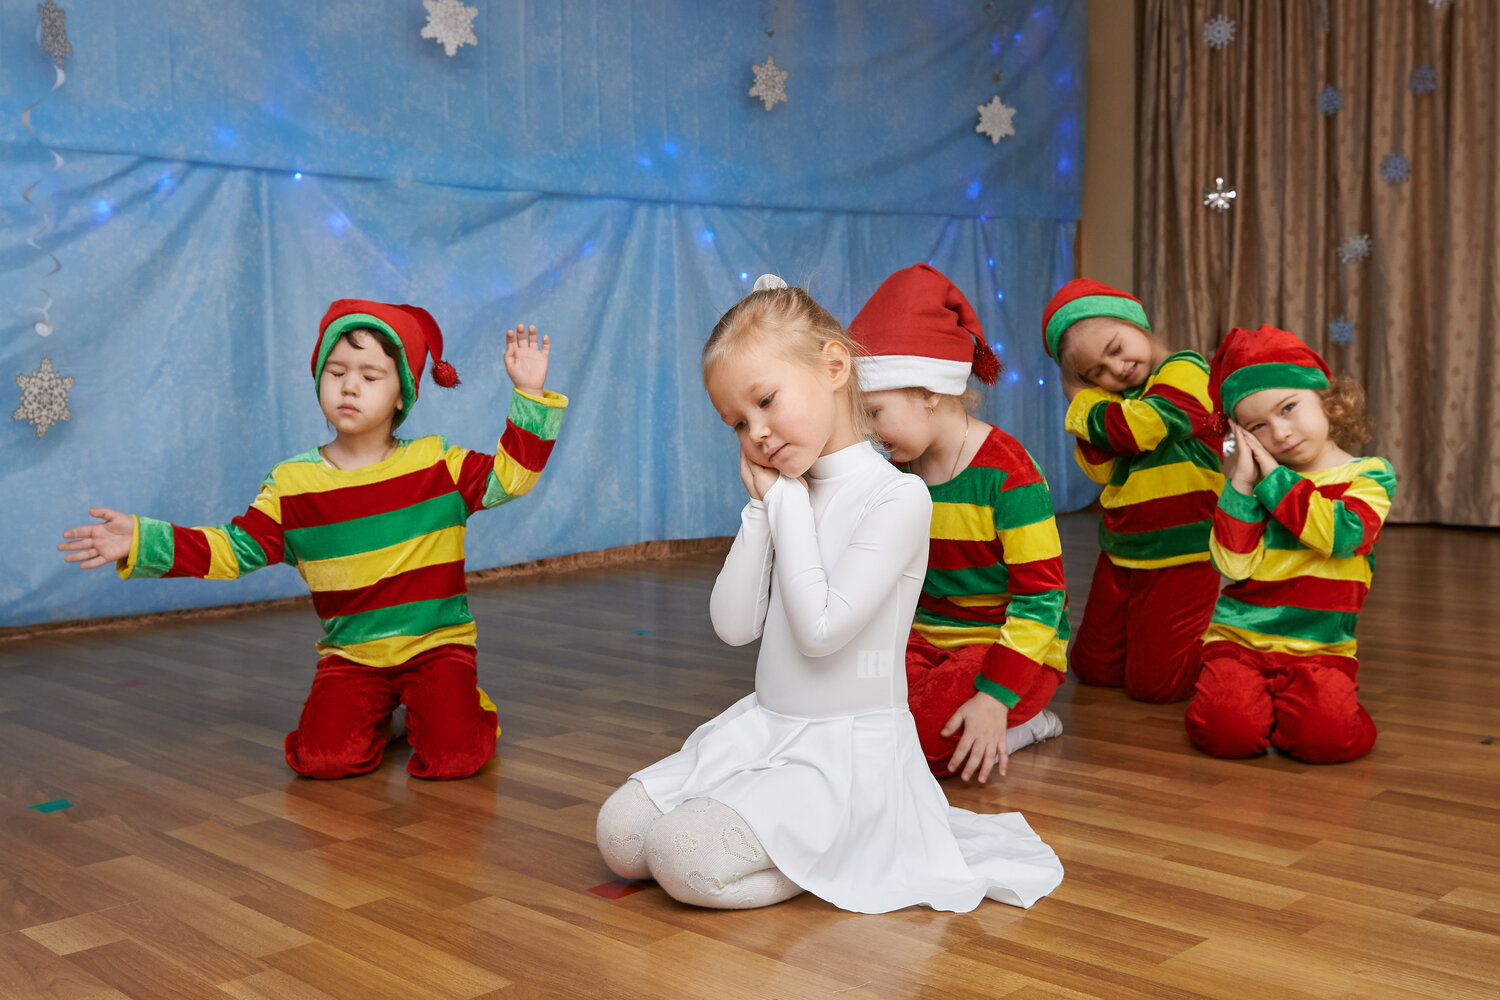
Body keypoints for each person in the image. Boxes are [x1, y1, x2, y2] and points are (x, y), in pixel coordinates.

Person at [594, 275, 1063, 914]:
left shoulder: (898, 496)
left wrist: (785, 506)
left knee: (684, 859)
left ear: (835, 367)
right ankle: (786, 838)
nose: (757, 434)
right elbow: (733, 627)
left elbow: (821, 632)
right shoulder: (785, 495)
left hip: (842, 751)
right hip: (766, 728)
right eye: (738, 423)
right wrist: (759, 514)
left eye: (766, 401)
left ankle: (845, 847)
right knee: (620, 836)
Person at [58, 299, 567, 780]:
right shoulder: (292, 484)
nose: (350, 387)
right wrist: (143, 540)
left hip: (436, 647)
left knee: (453, 758)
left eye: (370, 376)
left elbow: (511, 476)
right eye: (336, 372)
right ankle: (389, 718)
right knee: (321, 760)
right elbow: (234, 549)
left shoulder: (437, 465)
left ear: (401, 395)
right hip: (352, 656)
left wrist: (529, 394)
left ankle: (464, 705)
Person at [849, 264, 1066, 783]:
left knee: (919, 742)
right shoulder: (899, 471)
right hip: (926, 639)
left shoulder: (1008, 476)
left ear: (929, 392)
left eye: (873, 413)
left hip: (1008, 649)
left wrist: (994, 697)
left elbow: (1042, 599)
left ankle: (1023, 723)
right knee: (852, 718)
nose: (868, 432)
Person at [1186, 324, 1394, 763]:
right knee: (1226, 734)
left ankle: (1296, 704)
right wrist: (1241, 485)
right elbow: (1232, 566)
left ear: (1327, 399)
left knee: (1325, 741)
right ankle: (1251, 697)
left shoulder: (1369, 474)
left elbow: (1342, 536)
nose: (1280, 433)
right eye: (1258, 426)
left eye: (1288, 408)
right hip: (1240, 640)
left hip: (1322, 649)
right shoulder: (1253, 486)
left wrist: (1274, 481)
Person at [1041, 279, 1224, 703]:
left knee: (1155, 686)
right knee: (1092, 668)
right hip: (1123, 546)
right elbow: (1101, 468)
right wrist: (1097, 411)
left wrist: (1082, 402)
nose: (1116, 368)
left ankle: (1234, 652)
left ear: (1136, 325)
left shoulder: (1186, 369)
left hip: (1182, 550)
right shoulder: (1118, 403)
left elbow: (1142, 427)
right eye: (1097, 373)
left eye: (1116, 348)